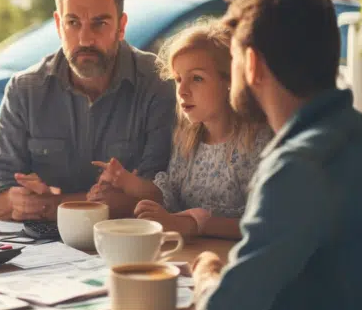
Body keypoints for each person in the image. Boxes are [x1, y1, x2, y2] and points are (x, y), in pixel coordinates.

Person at [191, 0, 362, 310]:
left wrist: (206, 275)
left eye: (234, 60)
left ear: (252, 64)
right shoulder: (360, 136)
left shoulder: (298, 167)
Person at [0, 0, 175, 222]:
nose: (85, 39)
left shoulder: (158, 83)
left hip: (127, 239)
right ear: (58, 25)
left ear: (121, 26)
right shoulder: (24, 90)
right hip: (45, 246)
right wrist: (20, 199)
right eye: (73, 23)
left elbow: (158, 195)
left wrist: (49, 205)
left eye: (99, 24)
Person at [88, 21, 271, 240]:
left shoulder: (256, 143)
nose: (182, 90)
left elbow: (265, 224)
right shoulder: (187, 140)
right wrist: (126, 182)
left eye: (197, 78)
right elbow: (171, 197)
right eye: (178, 79)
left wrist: (193, 224)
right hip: (189, 256)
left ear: (229, 81)